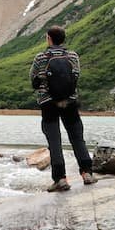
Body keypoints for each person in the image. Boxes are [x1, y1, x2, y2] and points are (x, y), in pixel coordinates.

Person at [29, 25, 94, 192]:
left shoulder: (40, 57)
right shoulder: (72, 56)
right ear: (63, 39)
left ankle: (60, 179)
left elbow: (33, 80)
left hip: (48, 103)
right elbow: (76, 76)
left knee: (54, 141)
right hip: (70, 102)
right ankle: (87, 173)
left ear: (49, 39)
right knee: (77, 138)